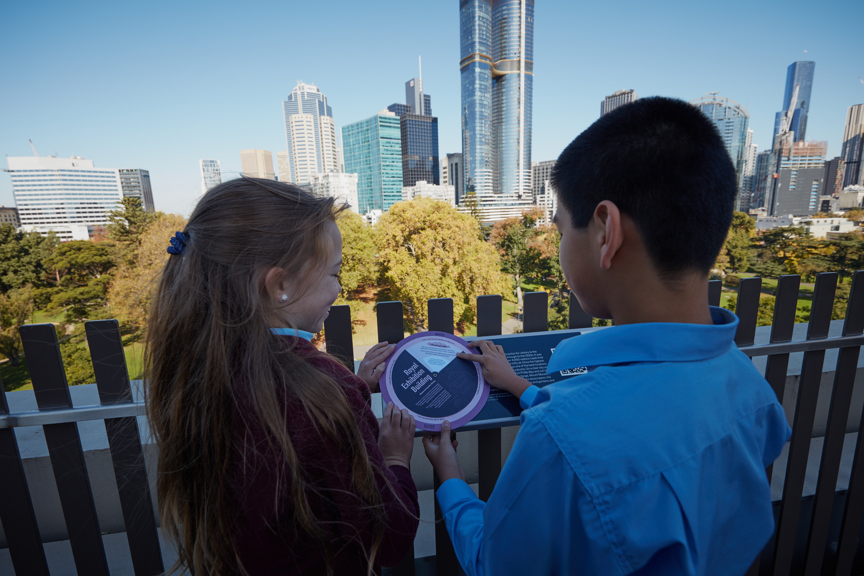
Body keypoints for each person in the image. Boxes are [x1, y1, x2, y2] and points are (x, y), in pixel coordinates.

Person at [423, 97, 792, 576]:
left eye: (561, 229)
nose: (560, 247)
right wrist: (521, 387)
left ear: (605, 232)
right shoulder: (749, 387)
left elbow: (492, 562)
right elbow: (630, 427)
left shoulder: (558, 439)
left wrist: (450, 477)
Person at [145, 178, 419, 576]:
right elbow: (388, 538)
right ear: (281, 285)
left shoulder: (200, 366)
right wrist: (395, 458)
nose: (339, 288)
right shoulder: (322, 388)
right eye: (333, 274)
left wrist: (354, 389)